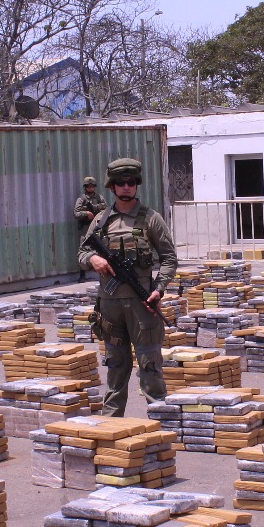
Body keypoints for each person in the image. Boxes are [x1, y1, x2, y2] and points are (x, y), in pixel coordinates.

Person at [78, 157, 178, 416]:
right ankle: (112, 425)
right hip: (109, 306)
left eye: (131, 182)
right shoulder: (101, 220)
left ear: (136, 185)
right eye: (120, 183)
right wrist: (93, 258)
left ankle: (160, 423)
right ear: (112, 187)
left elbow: (169, 258)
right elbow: (82, 252)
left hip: (142, 305)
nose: (126, 187)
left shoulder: (151, 219)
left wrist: (159, 288)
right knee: (115, 367)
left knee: (150, 366)